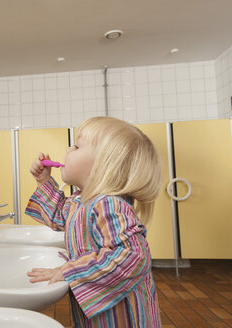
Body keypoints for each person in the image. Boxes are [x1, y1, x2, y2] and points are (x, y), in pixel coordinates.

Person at [25, 116, 162, 327]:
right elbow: (57, 216)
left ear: (103, 167)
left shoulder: (108, 204)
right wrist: (43, 181)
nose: (69, 148)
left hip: (124, 320)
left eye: (77, 146)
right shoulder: (80, 202)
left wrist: (68, 271)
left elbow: (131, 255)